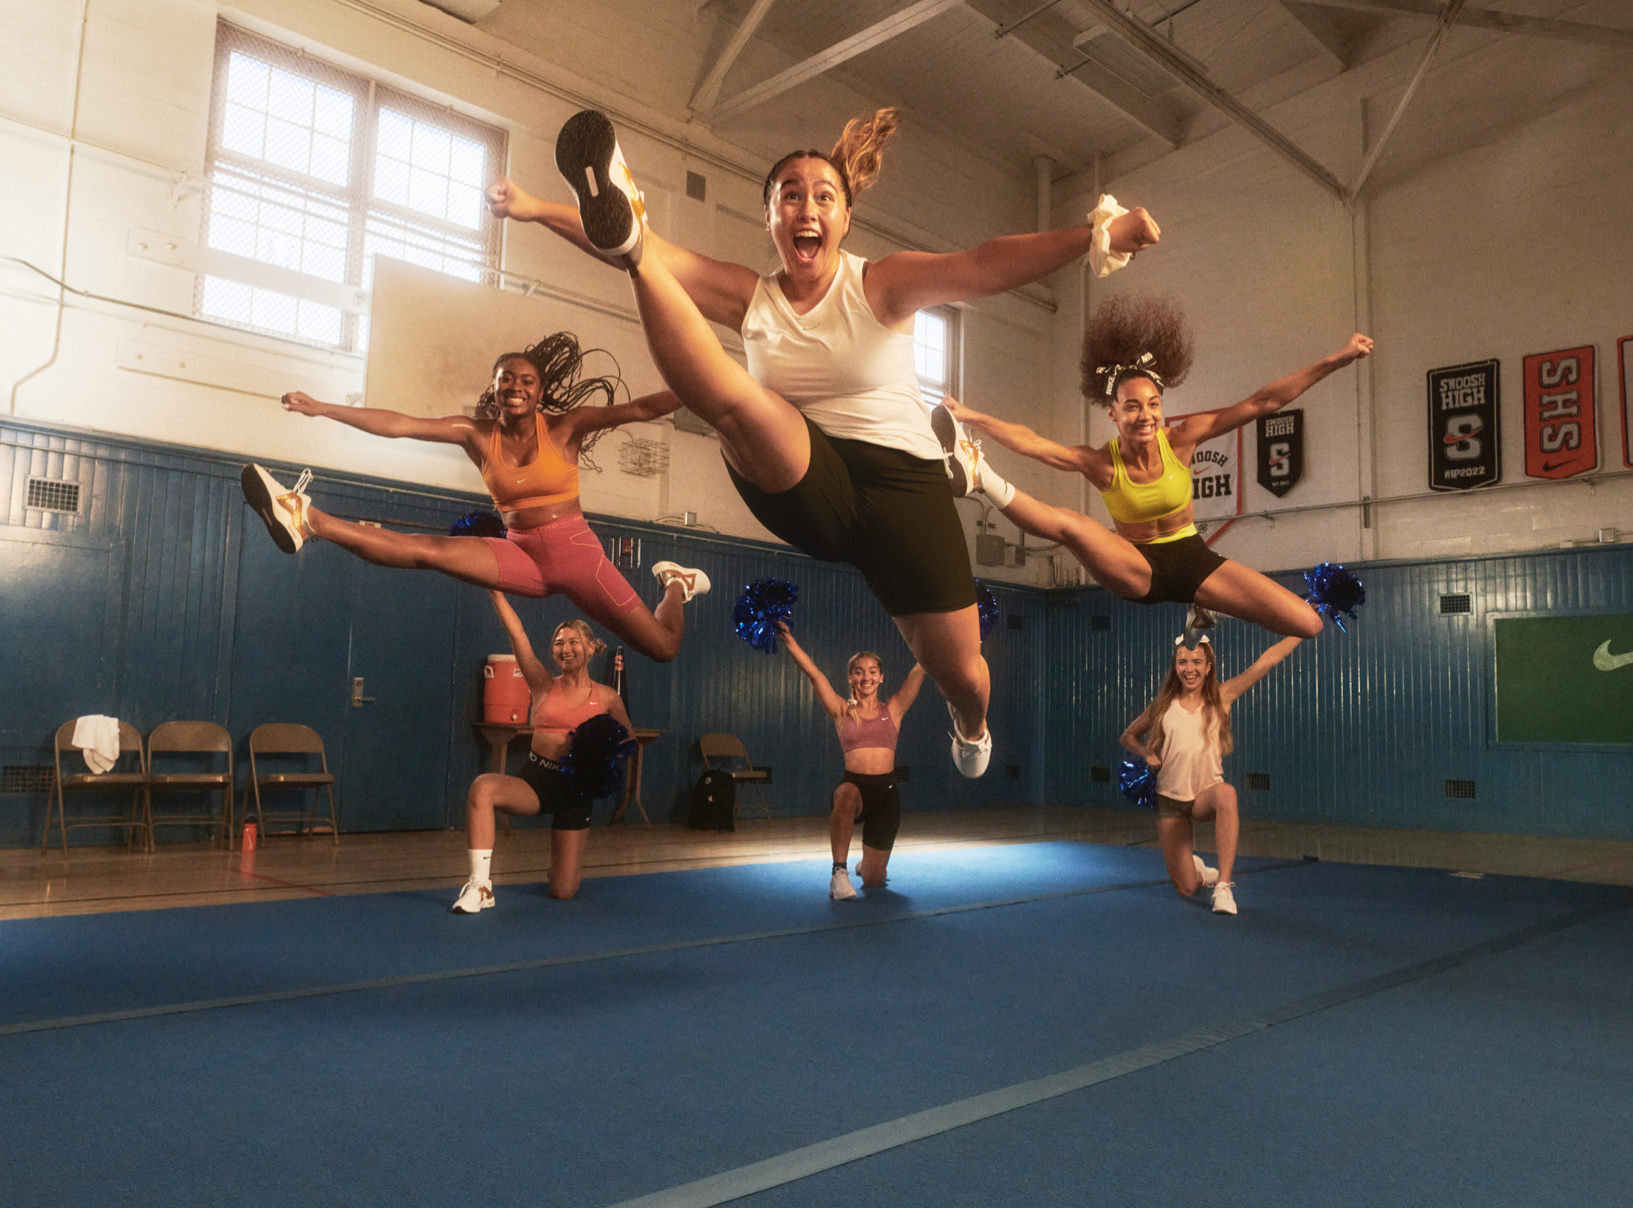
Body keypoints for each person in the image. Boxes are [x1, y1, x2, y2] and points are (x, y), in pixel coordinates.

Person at [486, 109, 1161, 775]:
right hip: (799, 471)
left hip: (903, 489)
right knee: (729, 389)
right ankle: (633, 248)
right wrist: (541, 209)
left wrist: (1095, 235)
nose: (806, 208)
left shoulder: (880, 284)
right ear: (770, 219)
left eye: (823, 197)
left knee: (961, 673)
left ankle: (971, 723)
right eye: (789, 196)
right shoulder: (751, 297)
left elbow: (980, 266)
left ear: (844, 219)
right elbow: (647, 250)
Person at [240, 333, 709, 661]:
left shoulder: (566, 428)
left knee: (663, 648)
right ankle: (307, 517)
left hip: (576, 555)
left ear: (540, 392)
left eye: (526, 380)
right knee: (427, 552)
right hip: (521, 552)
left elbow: (641, 408)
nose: (516, 386)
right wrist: (324, 408)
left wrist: (707, 386)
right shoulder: (475, 434)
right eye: (506, 378)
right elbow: (402, 425)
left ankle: (676, 583)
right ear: (495, 387)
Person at [938, 296, 1372, 639]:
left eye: (1153, 404)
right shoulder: (1102, 464)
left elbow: (1263, 402)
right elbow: (1034, 444)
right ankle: (980, 474)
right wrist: (971, 415)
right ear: (1112, 413)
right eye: (1132, 407)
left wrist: (1336, 359)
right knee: (1072, 526)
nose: (1145, 416)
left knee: (1308, 624)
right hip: (1136, 566)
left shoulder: (1181, 440)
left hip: (1193, 560)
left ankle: (1210, 608)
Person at [454, 591, 633, 910]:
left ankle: (562, 869)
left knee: (563, 890)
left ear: (591, 647)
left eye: (574, 642)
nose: (566, 648)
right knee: (482, 787)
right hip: (537, 782)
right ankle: (481, 887)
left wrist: (601, 757)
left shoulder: (607, 697)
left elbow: (626, 741)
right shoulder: (542, 684)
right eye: (559, 643)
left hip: (577, 792)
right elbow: (518, 635)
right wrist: (495, 591)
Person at [1120, 631, 1300, 915]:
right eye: (1182, 662)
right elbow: (1128, 736)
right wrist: (1146, 753)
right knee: (1186, 888)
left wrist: (1302, 629)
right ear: (1175, 666)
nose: (1189, 668)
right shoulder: (1163, 704)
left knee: (1227, 794)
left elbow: (1267, 662)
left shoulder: (1221, 696)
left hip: (1205, 795)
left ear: (1208, 667)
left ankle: (1223, 887)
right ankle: (1200, 872)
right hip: (1170, 799)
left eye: (1196, 662)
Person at [776, 622, 927, 900]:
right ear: (850, 677)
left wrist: (945, 637)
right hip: (855, 789)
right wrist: (787, 639)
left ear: (881, 677)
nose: (866, 677)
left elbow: (920, 668)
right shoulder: (841, 711)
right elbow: (813, 674)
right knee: (844, 793)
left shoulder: (894, 709)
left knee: (873, 881)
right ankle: (839, 873)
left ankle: (865, 866)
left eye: (872, 671)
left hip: (887, 795)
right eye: (859, 671)